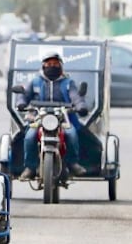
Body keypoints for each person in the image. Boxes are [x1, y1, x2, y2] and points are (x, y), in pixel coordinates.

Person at [17, 50, 89, 180]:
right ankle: (30, 167)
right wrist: (21, 103)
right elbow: (24, 95)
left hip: (63, 117)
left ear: (60, 66)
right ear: (43, 66)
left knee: (72, 134)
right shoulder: (35, 82)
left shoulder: (68, 83)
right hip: (39, 117)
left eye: (55, 64)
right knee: (29, 137)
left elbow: (75, 97)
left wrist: (80, 106)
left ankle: (73, 163)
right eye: (49, 64)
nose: (52, 66)